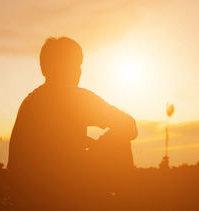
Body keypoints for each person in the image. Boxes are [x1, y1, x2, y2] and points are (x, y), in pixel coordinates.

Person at [7, 37, 138, 209]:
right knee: (121, 141)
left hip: (26, 195)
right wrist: (103, 143)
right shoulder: (75, 97)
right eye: (77, 64)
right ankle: (122, 204)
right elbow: (129, 126)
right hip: (62, 194)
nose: (79, 71)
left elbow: (53, 144)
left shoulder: (30, 101)